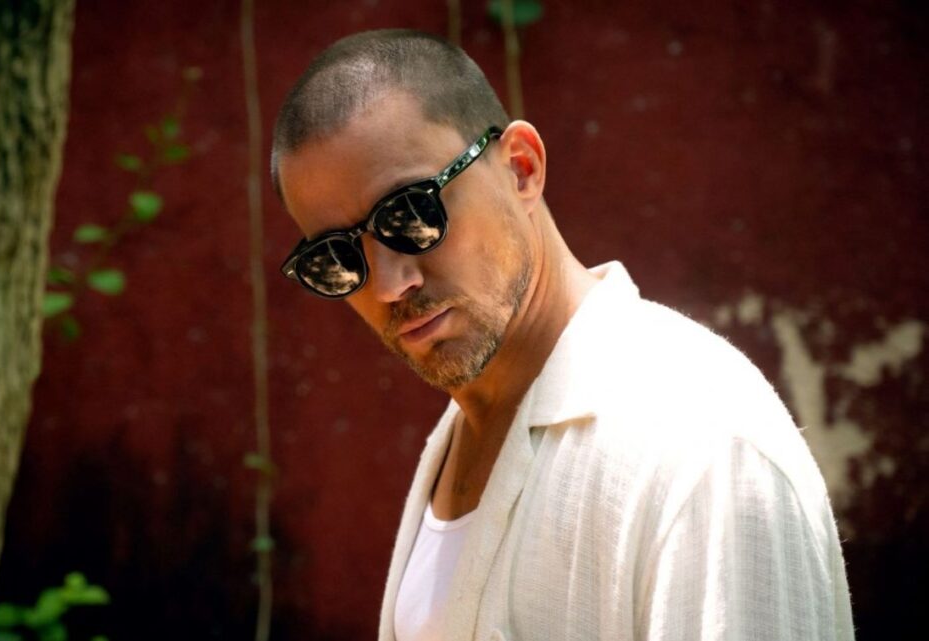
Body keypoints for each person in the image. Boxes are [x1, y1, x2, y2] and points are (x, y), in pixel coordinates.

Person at [271, 29, 855, 641]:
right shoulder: (463, 435)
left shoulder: (698, 443)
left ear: (520, 168)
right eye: (336, 258)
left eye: (411, 215)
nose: (390, 284)